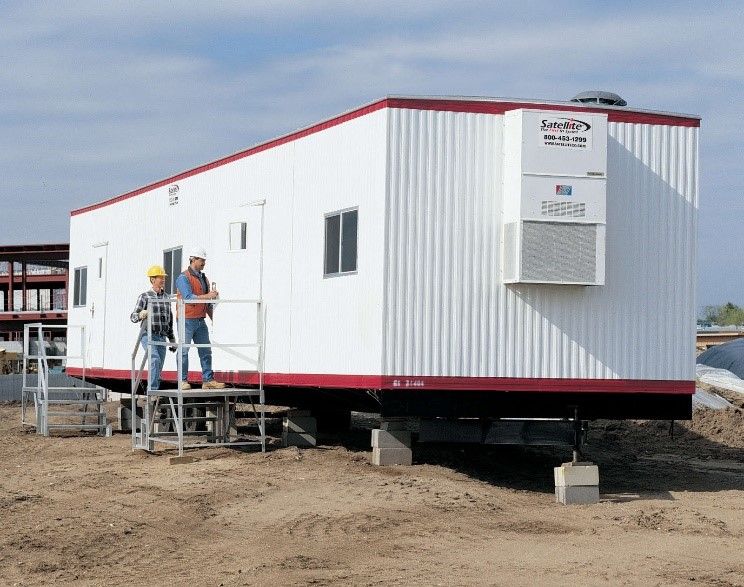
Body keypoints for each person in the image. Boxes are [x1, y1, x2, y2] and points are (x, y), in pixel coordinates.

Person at [175, 247, 226, 389]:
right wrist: (208, 296)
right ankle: (182, 381)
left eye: (204, 260)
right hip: (186, 319)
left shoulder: (204, 278)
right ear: (193, 260)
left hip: (200, 320)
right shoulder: (183, 278)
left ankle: (208, 380)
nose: (204, 262)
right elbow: (188, 298)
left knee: (205, 350)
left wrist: (214, 318)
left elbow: (207, 303)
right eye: (201, 260)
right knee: (184, 350)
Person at [130, 265, 176, 391]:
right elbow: (133, 317)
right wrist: (140, 315)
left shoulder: (166, 297)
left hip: (162, 337)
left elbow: (169, 320)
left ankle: (154, 391)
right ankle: (153, 390)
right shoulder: (145, 296)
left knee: (159, 365)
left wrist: (172, 339)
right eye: (160, 277)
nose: (163, 279)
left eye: (163, 277)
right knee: (154, 359)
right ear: (152, 279)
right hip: (148, 335)